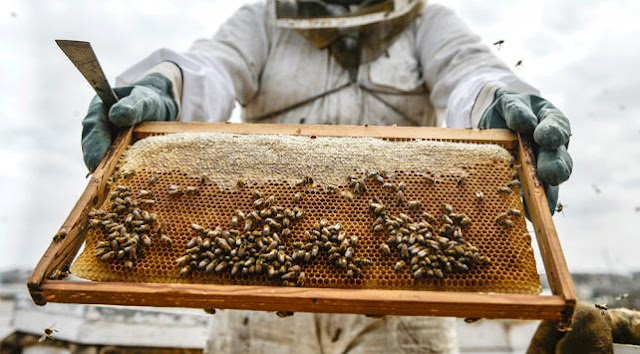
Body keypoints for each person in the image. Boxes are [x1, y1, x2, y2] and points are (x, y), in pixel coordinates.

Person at [80, 1, 574, 352]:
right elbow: (214, 67)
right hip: (260, 283)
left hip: (400, 294)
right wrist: (168, 86)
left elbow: (470, 71)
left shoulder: (428, 21)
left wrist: (498, 103)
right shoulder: (263, 19)